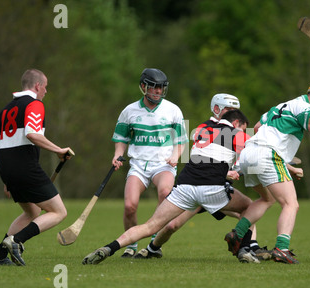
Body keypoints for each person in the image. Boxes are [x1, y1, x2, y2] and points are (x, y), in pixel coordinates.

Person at [82, 109, 255, 265]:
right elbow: (252, 156)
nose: (242, 131)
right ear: (236, 124)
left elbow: (206, 159)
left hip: (184, 187)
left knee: (150, 226)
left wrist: (226, 171)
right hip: (211, 189)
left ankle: (108, 248)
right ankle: (243, 249)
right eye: (243, 127)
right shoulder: (238, 134)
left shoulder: (202, 129)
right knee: (250, 206)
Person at [224, 79, 310, 264]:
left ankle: (238, 234)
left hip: (248, 153)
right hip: (267, 155)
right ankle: (282, 249)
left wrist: (287, 166)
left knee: (268, 199)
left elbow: (258, 127)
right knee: (291, 204)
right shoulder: (305, 107)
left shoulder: (283, 105)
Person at [134, 94, 271, 262]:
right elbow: (203, 160)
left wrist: (235, 169)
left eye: (235, 111)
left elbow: (238, 157)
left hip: (217, 190)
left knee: (248, 211)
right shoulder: (204, 128)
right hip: (197, 186)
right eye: (229, 109)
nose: (233, 114)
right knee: (172, 225)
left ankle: (251, 247)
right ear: (216, 109)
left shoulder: (235, 131)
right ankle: (152, 248)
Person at [0, 69, 74, 266]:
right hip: (26, 168)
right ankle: (16, 241)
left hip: (8, 170)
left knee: (32, 213)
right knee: (59, 212)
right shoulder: (35, 104)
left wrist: (6, 177)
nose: (46, 91)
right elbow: (33, 134)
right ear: (37, 86)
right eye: (45, 87)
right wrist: (59, 150)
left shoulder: (4, 111)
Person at [111, 68, 188, 258]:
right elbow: (121, 138)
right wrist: (118, 154)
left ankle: (155, 241)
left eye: (161, 88)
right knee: (130, 206)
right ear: (143, 87)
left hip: (163, 164)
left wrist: (175, 156)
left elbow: (182, 141)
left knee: (164, 193)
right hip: (138, 165)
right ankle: (131, 244)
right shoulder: (129, 111)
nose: (158, 92)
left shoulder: (173, 110)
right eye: (154, 88)